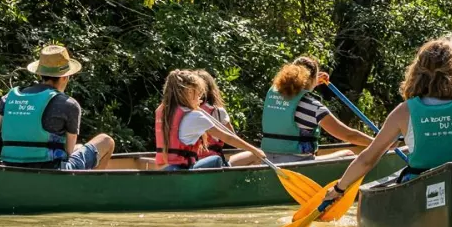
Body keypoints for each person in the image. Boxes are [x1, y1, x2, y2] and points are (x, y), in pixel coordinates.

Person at [322, 39, 452, 201]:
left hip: (420, 183)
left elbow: (368, 158)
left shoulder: (403, 111)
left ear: (416, 73)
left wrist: (339, 189)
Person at [0, 45, 115, 170]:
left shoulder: (10, 97)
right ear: (65, 76)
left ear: (40, 74)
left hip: (10, 166)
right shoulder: (69, 104)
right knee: (106, 141)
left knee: (79, 147)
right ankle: (91, 192)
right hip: (51, 170)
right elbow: (68, 152)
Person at [231, 56, 374, 166]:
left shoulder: (273, 93)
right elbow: (349, 135)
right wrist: (380, 142)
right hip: (296, 163)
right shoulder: (313, 107)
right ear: (311, 79)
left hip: (268, 160)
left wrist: (313, 81)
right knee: (348, 153)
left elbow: (293, 88)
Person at [156, 69, 266, 170]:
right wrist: (255, 150)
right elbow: (228, 137)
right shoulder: (194, 116)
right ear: (189, 92)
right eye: (198, 92)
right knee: (216, 159)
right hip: (184, 171)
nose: (200, 97)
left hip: (167, 169)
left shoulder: (165, 112)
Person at [193, 69, 234, 163]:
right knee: (254, 155)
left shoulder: (186, 111)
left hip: (191, 161)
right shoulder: (219, 111)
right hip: (213, 161)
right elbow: (232, 137)